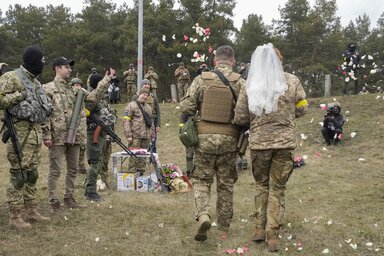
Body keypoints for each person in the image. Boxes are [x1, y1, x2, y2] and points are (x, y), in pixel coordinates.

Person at [234, 43, 308, 252]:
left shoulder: (250, 84)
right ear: (280, 61)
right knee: (278, 188)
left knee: (262, 185)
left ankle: (259, 229)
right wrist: (288, 114)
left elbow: (240, 116)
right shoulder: (292, 81)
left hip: (259, 145)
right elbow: (303, 107)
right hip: (284, 144)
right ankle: (272, 236)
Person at [179, 45, 245, 241]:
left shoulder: (202, 79)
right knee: (225, 184)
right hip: (230, 140)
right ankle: (223, 227)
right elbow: (246, 113)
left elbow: (187, 107)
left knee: (201, 180)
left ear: (215, 61)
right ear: (232, 61)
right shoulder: (241, 82)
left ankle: (204, 215)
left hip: (204, 139)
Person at [0, 45, 52, 229]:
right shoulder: (11, 77)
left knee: (32, 174)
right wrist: (19, 95)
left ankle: (32, 210)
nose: (43, 63)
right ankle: (15, 216)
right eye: (42, 60)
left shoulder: (36, 83)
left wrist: (46, 133)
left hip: (35, 135)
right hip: (19, 136)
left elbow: (44, 110)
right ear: (33, 59)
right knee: (19, 175)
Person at [84, 71, 116, 201]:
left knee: (99, 162)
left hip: (102, 133)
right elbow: (87, 114)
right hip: (93, 134)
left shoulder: (102, 100)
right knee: (96, 162)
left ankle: (89, 188)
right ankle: (90, 191)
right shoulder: (90, 98)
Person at [123, 88, 153, 174]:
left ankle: (141, 177)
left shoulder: (148, 108)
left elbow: (151, 122)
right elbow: (126, 121)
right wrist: (128, 135)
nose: (145, 96)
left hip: (146, 137)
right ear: (139, 94)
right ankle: (131, 177)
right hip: (135, 137)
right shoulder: (131, 105)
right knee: (133, 158)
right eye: (144, 94)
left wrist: (151, 134)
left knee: (142, 158)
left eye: (147, 95)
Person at [132, 79, 161, 152]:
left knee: (153, 142)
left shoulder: (154, 97)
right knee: (142, 144)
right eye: (145, 84)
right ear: (142, 85)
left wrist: (158, 125)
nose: (147, 85)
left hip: (152, 122)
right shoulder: (136, 96)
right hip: (140, 123)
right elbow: (132, 110)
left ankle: (153, 161)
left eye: (148, 84)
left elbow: (158, 112)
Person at [69, 77, 88, 175]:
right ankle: (74, 166)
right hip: (72, 125)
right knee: (73, 147)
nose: (78, 87)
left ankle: (81, 165)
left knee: (82, 146)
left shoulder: (83, 95)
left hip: (81, 126)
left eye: (79, 85)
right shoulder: (68, 95)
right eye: (76, 85)